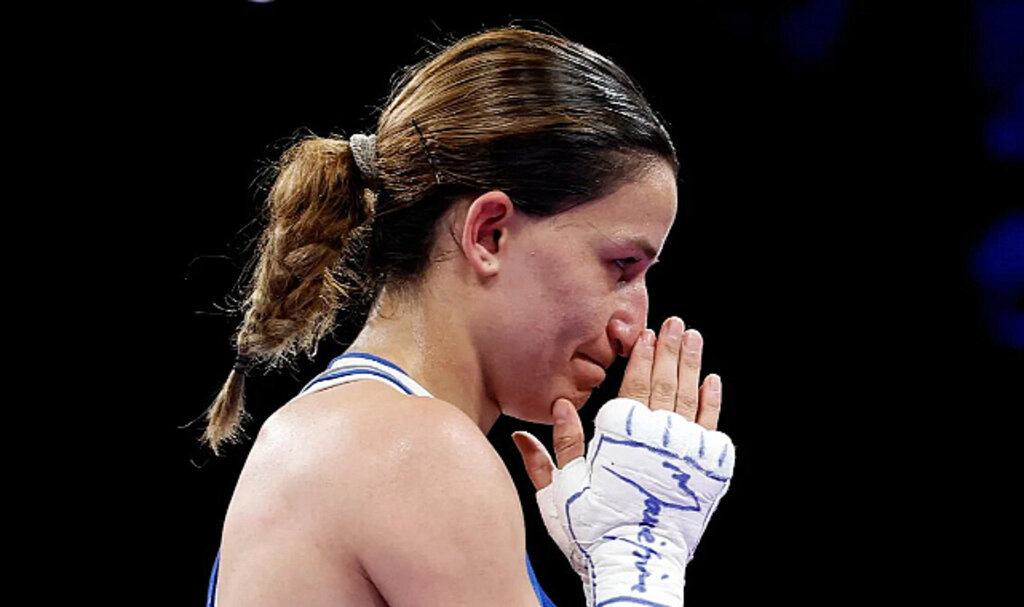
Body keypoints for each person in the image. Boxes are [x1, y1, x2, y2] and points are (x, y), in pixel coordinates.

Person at [201, 25, 734, 607]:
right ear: (489, 234)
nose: (632, 329)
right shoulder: (417, 451)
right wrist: (639, 558)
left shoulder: (331, 429)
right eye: (621, 265)